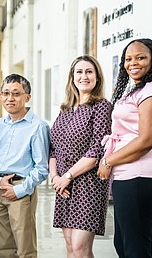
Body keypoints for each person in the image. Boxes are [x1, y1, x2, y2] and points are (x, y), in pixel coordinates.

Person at [97, 38, 152, 258]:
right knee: (124, 245)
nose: (133, 63)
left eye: (141, 57)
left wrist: (108, 161)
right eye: (128, 59)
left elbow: (146, 140)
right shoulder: (140, 89)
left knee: (135, 249)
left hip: (141, 175)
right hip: (130, 175)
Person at [0, 74, 50, 258]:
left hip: (21, 190)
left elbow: (42, 168)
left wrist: (19, 191)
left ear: (27, 97)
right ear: (1, 96)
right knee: (3, 249)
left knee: (25, 250)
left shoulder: (38, 127)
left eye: (16, 93)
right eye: (6, 93)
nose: (10, 98)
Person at [49, 55, 112, 257]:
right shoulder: (65, 110)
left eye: (89, 72)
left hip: (88, 185)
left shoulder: (101, 107)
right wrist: (55, 178)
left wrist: (66, 177)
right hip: (63, 187)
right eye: (79, 72)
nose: (84, 76)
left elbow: (96, 151)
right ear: (72, 77)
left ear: (97, 77)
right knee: (70, 247)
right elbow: (53, 149)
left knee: (81, 249)